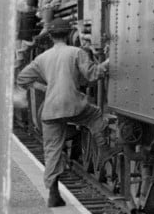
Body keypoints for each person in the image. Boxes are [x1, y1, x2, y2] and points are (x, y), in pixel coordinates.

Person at [16, 18, 111, 208]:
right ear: (69, 34)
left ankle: (53, 193)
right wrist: (109, 61)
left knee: (52, 150)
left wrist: (44, 87)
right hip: (75, 106)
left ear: (50, 36)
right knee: (95, 115)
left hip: (51, 109)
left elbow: (21, 79)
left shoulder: (42, 58)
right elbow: (93, 75)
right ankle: (104, 150)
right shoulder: (77, 52)